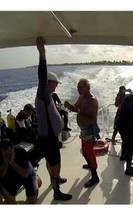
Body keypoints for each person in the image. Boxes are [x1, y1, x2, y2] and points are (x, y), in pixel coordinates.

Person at [35, 36, 72, 201]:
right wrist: (42, 53)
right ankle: (57, 192)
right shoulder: (43, 93)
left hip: (49, 137)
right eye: (55, 83)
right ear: (48, 83)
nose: (56, 86)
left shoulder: (48, 96)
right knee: (55, 164)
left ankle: (54, 180)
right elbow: (42, 75)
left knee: (52, 163)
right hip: (49, 139)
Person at [64, 78, 100, 187]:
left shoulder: (92, 100)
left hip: (89, 129)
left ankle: (95, 176)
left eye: (80, 87)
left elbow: (91, 116)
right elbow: (76, 107)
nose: (78, 89)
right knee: (84, 152)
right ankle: (90, 165)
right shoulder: (82, 97)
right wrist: (70, 106)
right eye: (77, 87)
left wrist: (77, 110)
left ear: (87, 88)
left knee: (88, 151)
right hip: (83, 129)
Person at [0, 138, 40, 204]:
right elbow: (1, 175)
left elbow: (26, 175)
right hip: (11, 175)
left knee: (32, 201)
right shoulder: (1, 155)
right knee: (8, 201)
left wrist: (12, 163)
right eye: (5, 155)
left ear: (13, 149)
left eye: (9, 154)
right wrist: (5, 162)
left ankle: (36, 179)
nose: (8, 157)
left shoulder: (20, 151)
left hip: (24, 173)